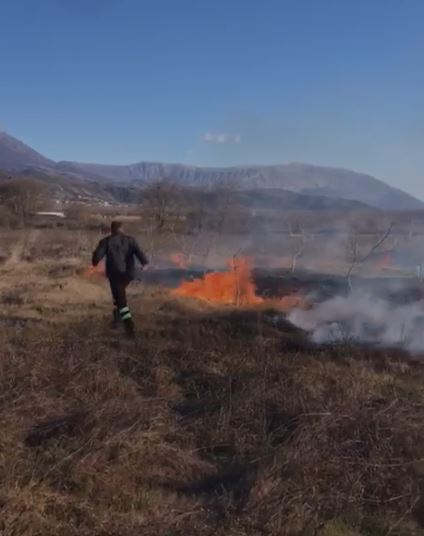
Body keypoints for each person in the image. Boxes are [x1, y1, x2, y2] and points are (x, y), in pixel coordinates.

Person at [92, 221, 148, 336]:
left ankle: (129, 327)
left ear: (111, 229)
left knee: (121, 302)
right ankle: (116, 321)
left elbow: (96, 257)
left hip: (115, 275)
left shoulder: (106, 241)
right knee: (119, 296)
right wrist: (144, 264)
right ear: (123, 229)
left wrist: (95, 261)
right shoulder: (131, 240)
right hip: (128, 275)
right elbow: (140, 254)